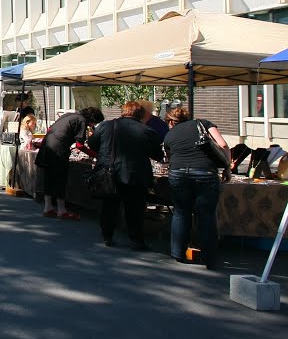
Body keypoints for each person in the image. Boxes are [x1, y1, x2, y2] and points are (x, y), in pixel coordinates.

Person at [86, 101, 164, 249]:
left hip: (109, 172)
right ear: (140, 115)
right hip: (135, 174)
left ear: (123, 112)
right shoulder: (146, 130)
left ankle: (107, 236)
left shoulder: (106, 125)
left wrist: (105, 153)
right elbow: (157, 154)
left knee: (109, 206)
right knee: (134, 208)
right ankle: (136, 239)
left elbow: (93, 143)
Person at [164, 107, 230, 269]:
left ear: (171, 121)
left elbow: (168, 156)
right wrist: (227, 167)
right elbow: (223, 144)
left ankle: (178, 253)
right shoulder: (203, 123)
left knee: (180, 212)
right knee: (206, 214)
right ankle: (209, 257)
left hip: (178, 173)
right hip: (204, 172)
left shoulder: (169, 134)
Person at [35, 107, 105, 219]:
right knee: (60, 178)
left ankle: (48, 208)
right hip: (59, 150)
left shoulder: (67, 115)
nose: (93, 126)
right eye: (94, 123)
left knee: (49, 177)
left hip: (47, 146)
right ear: (92, 119)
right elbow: (79, 145)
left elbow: (50, 130)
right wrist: (96, 155)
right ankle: (61, 210)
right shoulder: (81, 120)